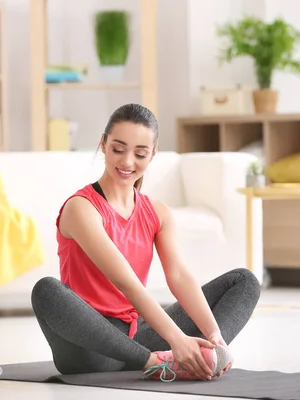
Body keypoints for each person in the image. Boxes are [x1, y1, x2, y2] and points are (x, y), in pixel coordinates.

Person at [30, 103, 261, 382]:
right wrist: (177, 338)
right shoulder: (82, 208)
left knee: (244, 281)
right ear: (103, 144)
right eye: (118, 149)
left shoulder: (158, 213)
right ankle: (157, 363)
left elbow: (178, 277)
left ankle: (202, 355)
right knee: (46, 290)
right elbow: (126, 282)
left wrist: (214, 334)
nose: (127, 162)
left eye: (140, 153)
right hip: (90, 347)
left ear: (153, 154)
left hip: (137, 335)